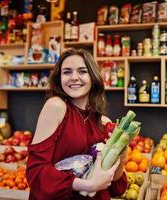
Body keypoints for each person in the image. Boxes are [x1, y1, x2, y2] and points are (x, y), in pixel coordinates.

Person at [26, 48, 127, 200]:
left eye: (82, 71)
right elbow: (36, 171)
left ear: (93, 77)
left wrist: (122, 151)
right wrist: (88, 185)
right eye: (67, 72)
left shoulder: (104, 122)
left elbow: (113, 183)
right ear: (59, 78)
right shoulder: (56, 106)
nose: (74, 77)